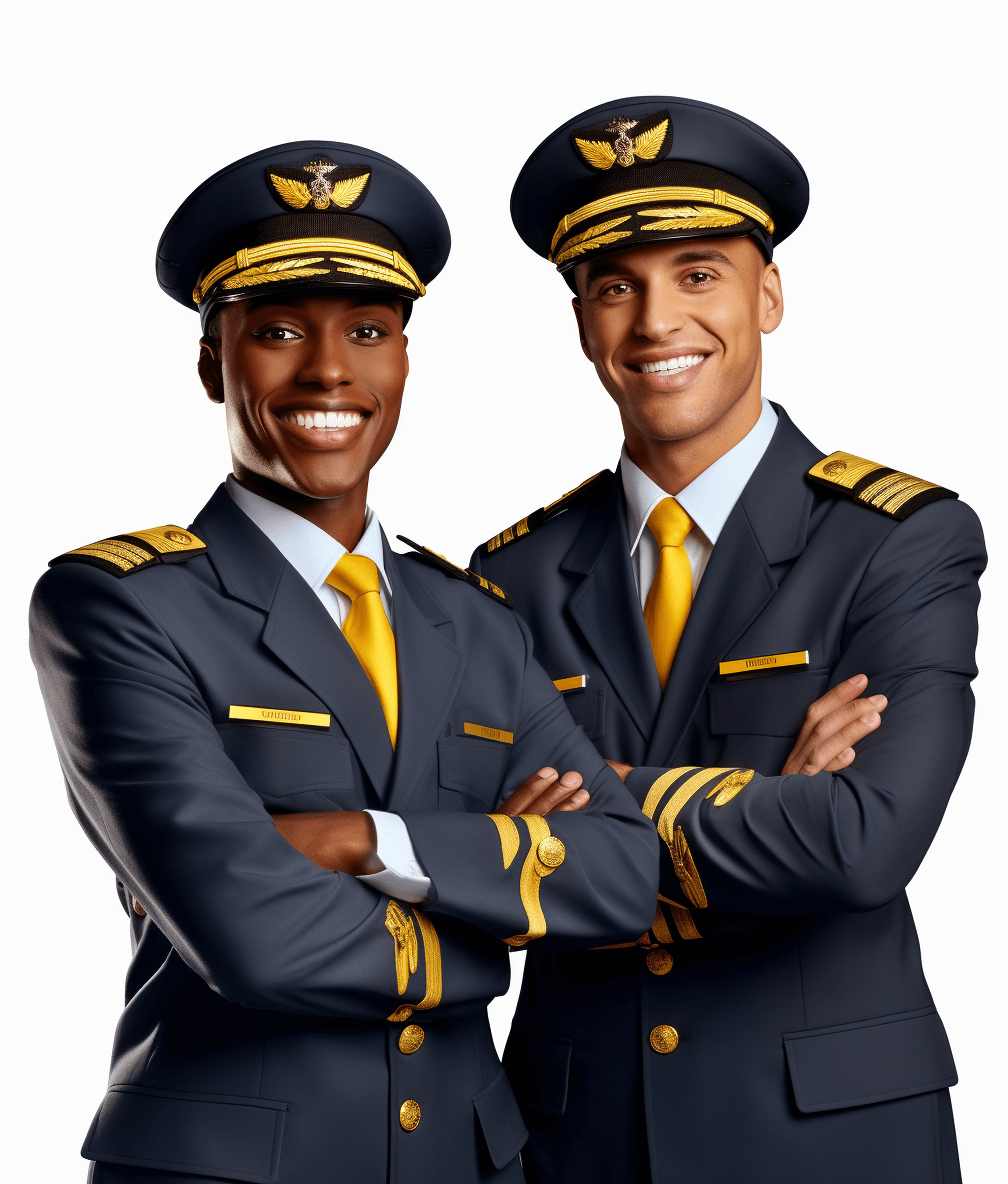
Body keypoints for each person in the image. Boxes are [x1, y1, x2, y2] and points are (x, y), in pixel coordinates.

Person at [29, 140, 664, 1184]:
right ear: (209, 362)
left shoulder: (475, 619)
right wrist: (490, 903)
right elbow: (252, 935)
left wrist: (359, 837)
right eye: (277, 331)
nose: (330, 370)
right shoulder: (120, 606)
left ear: (404, 361)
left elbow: (628, 875)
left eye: (368, 331)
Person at [471, 97, 985, 1184]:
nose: (657, 321)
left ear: (771, 293)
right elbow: (479, 864)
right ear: (582, 320)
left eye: (698, 273)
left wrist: (590, 812)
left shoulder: (901, 539)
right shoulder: (505, 575)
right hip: (581, 1133)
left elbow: (861, 843)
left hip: (828, 1134)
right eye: (615, 286)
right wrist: (767, 798)